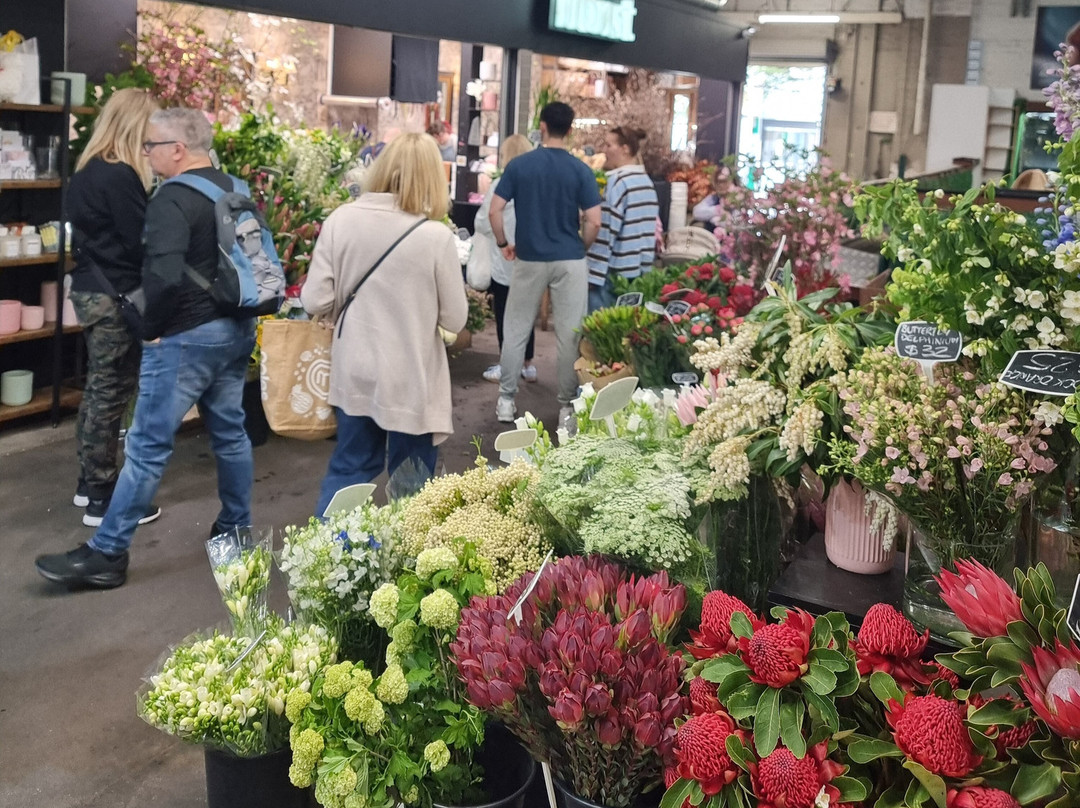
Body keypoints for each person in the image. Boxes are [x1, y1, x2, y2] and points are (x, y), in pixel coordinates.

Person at [35, 107, 258, 590]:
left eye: (152, 145)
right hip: (234, 331)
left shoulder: (171, 198)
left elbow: (162, 275)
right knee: (231, 435)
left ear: (178, 149)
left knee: (146, 448)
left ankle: (108, 552)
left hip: (184, 339)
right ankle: (235, 532)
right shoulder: (233, 188)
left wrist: (151, 329)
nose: (146, 153)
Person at [301, 133, 468, 516]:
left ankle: (329, 561)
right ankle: (405, 568)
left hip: (354, 370)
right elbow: (455, 320)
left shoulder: (341, 219)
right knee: (411, 483)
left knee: (350, 469)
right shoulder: (435, 237)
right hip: (412, 377)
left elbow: (314, 300)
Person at [65, 88, 163, 527]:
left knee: (99, 388)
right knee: (113, 392)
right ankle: (106, 498)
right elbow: (138, 241)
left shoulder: (86, 170)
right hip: (114, 297)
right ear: (135, 125)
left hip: (88, 290)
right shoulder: (120, 174)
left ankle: (89, 486)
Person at [489, 102, 602, 424]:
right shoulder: (581, 170)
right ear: (569, 130)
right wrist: (580, 246)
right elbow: (594, 220)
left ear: (542, 126)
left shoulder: (520, 165)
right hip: (570, 260)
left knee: (515, 330)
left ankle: (506, 401)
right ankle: (567, 406)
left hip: (529, 258)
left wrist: (503, 244)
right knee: (569, 334)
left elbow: (494, 211)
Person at [474, 134, 536, 384]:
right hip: (532, 258)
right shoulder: (537, 184)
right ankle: (528, 364)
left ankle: (506, 364)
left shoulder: (503, 183)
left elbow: (483, 219)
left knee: (505, 313)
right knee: (527, 312)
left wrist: (499, 239)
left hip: (505, 258)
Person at [585, 125, 660, 312]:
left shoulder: (617, 182)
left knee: (598, 334)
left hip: (612, 274)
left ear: (625, 149)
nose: (605, 150)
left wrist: (592, 273)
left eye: (609, 145)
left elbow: (605, 232)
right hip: (638, 272)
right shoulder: (646, 183)